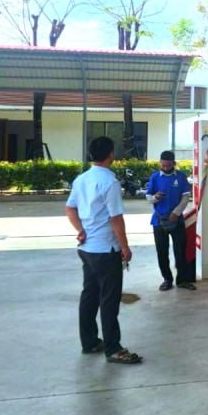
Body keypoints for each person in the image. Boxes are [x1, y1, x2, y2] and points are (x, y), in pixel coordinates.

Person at [64, 136, 142, 364]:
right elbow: (116, 219)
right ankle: (113, 348)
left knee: (90, 295)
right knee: (109, 299)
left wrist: (80, 230)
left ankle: (89, 342)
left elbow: (70, 208)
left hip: (87, 249)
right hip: (106, 250)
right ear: (111, 155)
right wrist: (125, 247)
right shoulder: (110, 182)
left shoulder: (81, 179)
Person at [146, 150, 195, 291]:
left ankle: (182, 280)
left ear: (174, 163)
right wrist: (155, 197)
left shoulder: (181, 177)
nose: (165, 168)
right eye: (163, 165)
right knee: (162, 252)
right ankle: (167, 279)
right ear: (160, 163)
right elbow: (148, 198)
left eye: (168, 165)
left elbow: (185, 198)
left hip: (177, 220)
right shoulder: (155, 177)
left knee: (180, 251)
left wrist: (176, 213)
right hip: (159, 221)